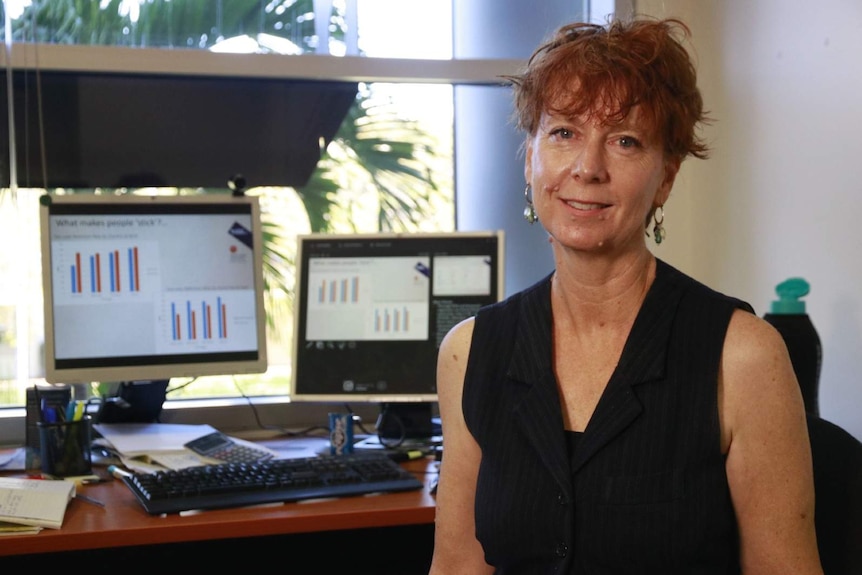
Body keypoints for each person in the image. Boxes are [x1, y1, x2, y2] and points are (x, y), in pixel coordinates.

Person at [428, 16, 823, 575]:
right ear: (530, 158)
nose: (588, 168)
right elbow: (457, 565)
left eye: (625, 141)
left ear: (664, 178)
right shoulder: (469, 353)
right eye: (563, 133)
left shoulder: (743, 357)